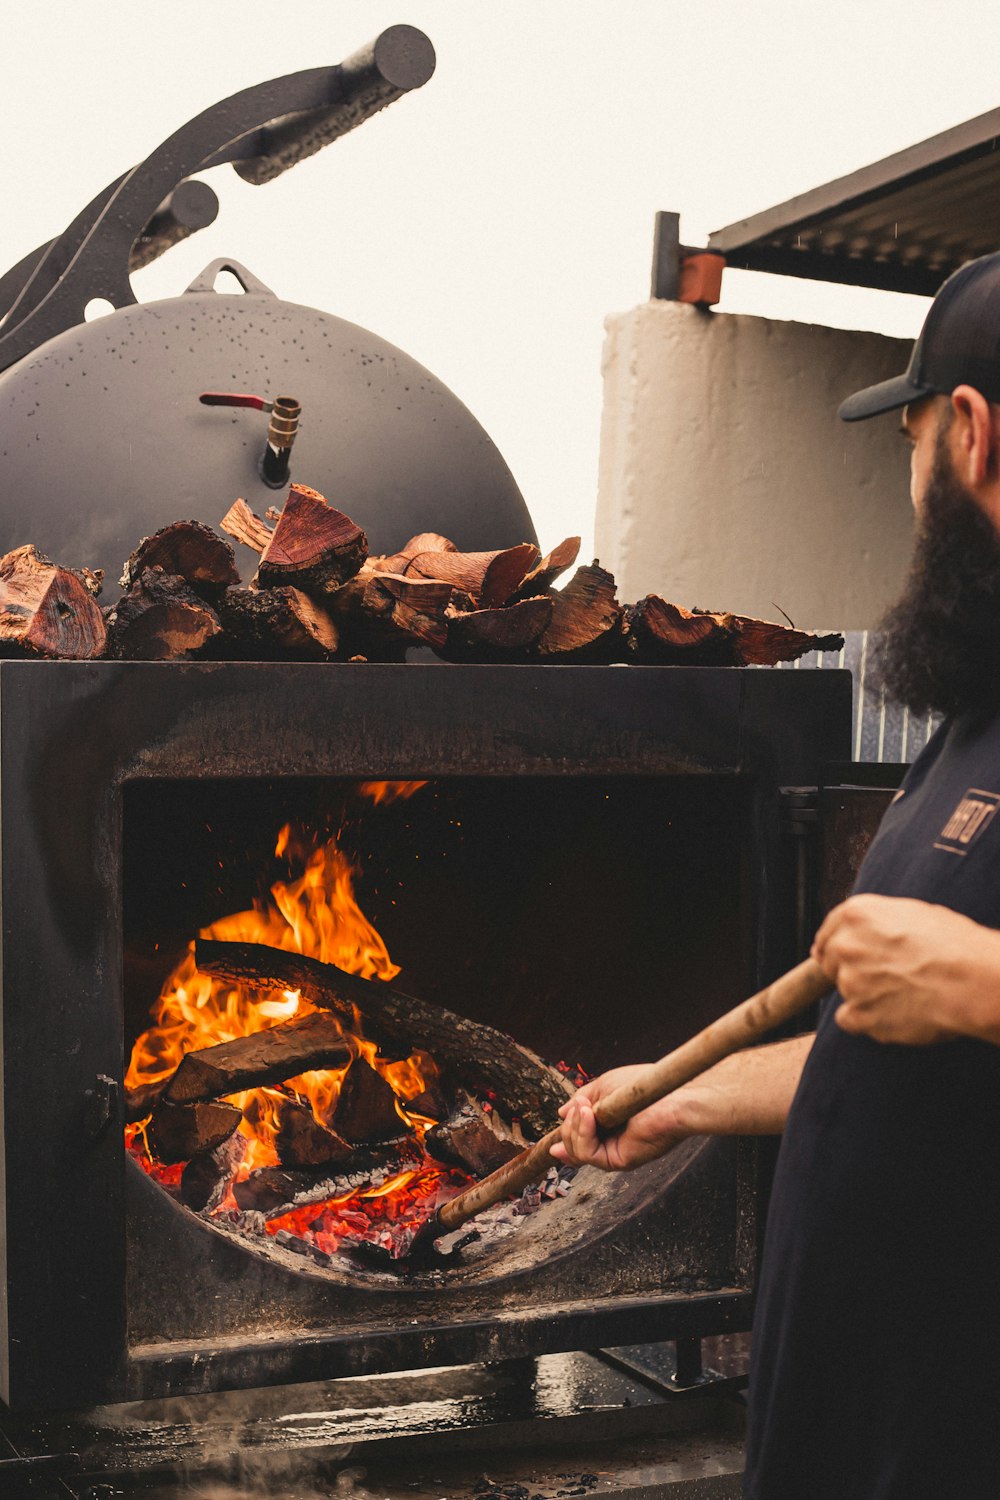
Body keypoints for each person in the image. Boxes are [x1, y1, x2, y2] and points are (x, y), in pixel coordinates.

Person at [552, 250, 1000, 1500]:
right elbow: (894, 1055)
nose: (908, 490)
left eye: (907, 448)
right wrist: (682, 1098)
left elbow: (959, 999)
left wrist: (979, 980)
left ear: (966, 435)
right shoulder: (974, 721)